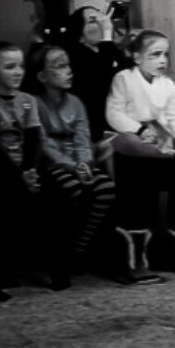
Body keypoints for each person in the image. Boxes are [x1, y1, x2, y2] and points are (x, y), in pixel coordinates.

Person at [106, 29, 175, 279]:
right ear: (137, 57)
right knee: (136, 177)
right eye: (155, 55)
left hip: (161, 139)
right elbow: (114, 112)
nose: (162, 60)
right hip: (134, 139)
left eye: (165, 55)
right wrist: (138, 129)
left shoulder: (168, 86)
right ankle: (135, 262)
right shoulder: (124, 79)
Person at [0, 41, 54, 299]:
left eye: (20, 66)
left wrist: (29, 170)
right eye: (9, 67)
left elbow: (34, 138)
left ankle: (55, 265)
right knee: (0, 202)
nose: (18, 72)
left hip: (25, 167)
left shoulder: (28, 101)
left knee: (54, 194)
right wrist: (20, 176)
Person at [30, 43, 119, 279]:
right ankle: (61, 249)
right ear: (42, 76)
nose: (68, 71)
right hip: (51, 165)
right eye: (59, 67)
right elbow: (43, 143)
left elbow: (82, 137)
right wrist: (70, 166)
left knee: (105, 188)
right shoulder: (35, 104)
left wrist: (84, 163)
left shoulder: (75, 103)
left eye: (68, 65)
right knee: (71, 189)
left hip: (79, 162)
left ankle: (80, 249)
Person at [59, 5, 126, 144]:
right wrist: (107, 34)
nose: (103, 22)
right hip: (89, 129)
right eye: (93, 20)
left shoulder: (107, 50)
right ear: (80, 34)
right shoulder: (75, 55)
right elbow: (101, 76)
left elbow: (125, 68)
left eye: (102, 18)